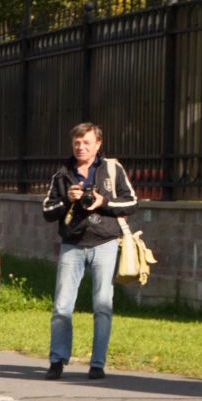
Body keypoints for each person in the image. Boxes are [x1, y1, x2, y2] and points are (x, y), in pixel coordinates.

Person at [41, 121, 137, 379]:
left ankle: (97, 364)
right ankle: (57, 361)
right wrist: (66, 201)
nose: (80, 147)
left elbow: (131, 202)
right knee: (62, 306)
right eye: (77, 143)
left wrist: (102, 202)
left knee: (102, 305)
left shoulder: (112, 169)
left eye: (86, 143)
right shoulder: (62, 175)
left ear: (97, 145)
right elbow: (47, 212)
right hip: (72, 245)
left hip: (104, 243)